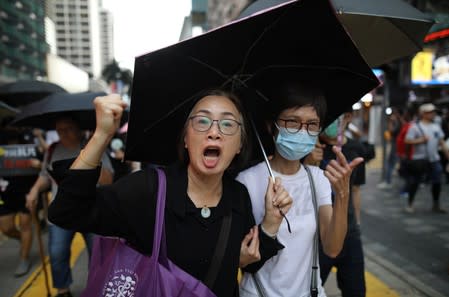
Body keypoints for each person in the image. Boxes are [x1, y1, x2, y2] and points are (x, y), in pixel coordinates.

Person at [47, 90, 293, 297]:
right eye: (202, 121)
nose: (214, 132)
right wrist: (101, 136)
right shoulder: (148, 189)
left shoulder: (239, 195)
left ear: (239, 145)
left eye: (228, 124)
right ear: (186, 138)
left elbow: (249, 263)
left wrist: (271, 223)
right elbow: (67, 213)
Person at [236, 83, 363, 297]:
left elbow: (332, 248)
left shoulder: (318, 179)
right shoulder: (246, 182)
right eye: (293, 122)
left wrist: (342, 195)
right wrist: (269, 223)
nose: (303, 132)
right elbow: (240, 259)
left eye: (312, 124)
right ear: (271, 125)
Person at [26, 115, 114, 297]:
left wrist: (88, 162)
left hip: (91, 211)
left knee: (98, 255)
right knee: (57, 253)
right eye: (59, 130)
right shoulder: (52, 149)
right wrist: (34, 191)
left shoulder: (93, 146)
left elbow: (108, 180)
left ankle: (96, 287)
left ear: (79, 128)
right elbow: (45, 175)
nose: (63, 134)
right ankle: (63, 290)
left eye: (68, 129)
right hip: (62, 211)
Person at [306, 112, 367, 297]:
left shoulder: (356, 149)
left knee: (355, 290)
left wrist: (356, 223)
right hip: (318, 234)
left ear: (347, 118)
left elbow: (355, 190)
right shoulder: (309, 148)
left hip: (349, 232)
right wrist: (309, 163)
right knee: (312, 288)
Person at [0, 127, 42, 277]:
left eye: (14, 141)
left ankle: (24, 258)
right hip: (5, 195)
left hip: (26, 192)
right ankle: (24, 241)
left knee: (25, 225)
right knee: (6, 228)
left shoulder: (30, 148)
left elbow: (43, 168)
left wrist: (38, 165)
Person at [404, 103, 449, 214]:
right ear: (423, 114)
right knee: (415, 182)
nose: (432, 114)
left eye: (433, 112)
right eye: (429, 112)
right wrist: (420, 140)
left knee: (437, 181)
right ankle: (410, 203)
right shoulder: (415, 126)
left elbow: (442, 142)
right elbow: (407, 141)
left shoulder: (436, 126)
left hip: (434, 159)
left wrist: (447, 156)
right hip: (419, 159)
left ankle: (436, 204)